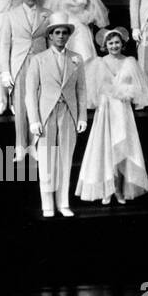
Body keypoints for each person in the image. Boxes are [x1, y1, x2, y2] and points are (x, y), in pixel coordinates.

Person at [76, 27, 148, 206]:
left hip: (123, 111)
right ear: (105, 45)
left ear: (122, 44)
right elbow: (93, 89)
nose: (114, 45)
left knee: (122, 148)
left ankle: (118, 189)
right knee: (106, 148)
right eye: (110, 43)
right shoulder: (99, 63)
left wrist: (126, 92)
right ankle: (107, 189)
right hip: (106, 110)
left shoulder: (130, 61)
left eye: (117, 42)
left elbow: (139, 88)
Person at [26, 11, 89, 217]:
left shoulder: (76, 59)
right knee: (46, 160)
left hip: (68, 113)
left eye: (64, 33)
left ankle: (63, 203)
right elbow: (30, 93)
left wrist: (81, 116)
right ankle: (48, 205)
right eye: (56, 32)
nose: (61, 36)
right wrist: (34, 120)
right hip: (46, 115)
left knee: (65, 160)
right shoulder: (38, 60)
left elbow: (81, 90)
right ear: (50, 36)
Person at [0, 0, 50, 168]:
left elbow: (50, 41)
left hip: (40, 62)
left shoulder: (47, 13)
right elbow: (4, 45)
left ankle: (35, 145)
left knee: (37, 103)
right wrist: (5, 71)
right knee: (20, 106)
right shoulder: (10, 15)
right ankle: (20, 147)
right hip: (19, 63)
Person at [45, 0, 109, 66]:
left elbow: (96, 8)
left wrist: (88, 17)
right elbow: (50, 10)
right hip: (65, 26)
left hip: (81, 26)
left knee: (84, 53)